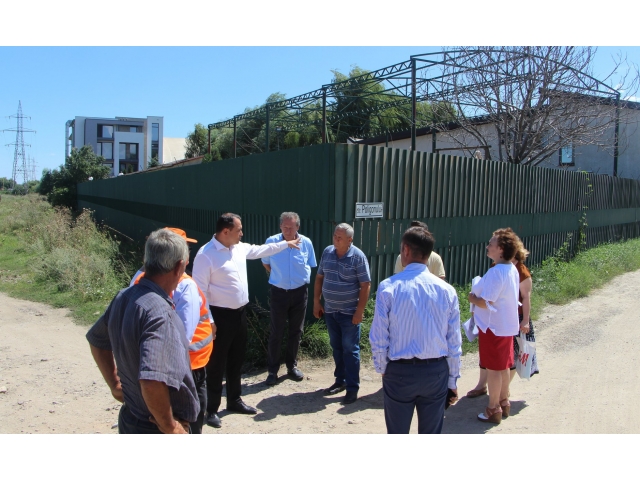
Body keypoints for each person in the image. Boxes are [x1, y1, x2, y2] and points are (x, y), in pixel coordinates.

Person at [192, 213, 301, 429]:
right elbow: (199, 292)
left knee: (236, 359)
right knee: (216, 364)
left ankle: (234, 400)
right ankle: (211, 409)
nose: (242, 233)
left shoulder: (238, 248)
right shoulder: (206, 255)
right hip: (218, 317)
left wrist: (285, 244)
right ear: (225, 231)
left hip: (240, 314)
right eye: (239, 230)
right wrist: (209, 321)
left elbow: (261, 250)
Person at [86, 228, 199, 434]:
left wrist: (115, 384)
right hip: (153, 427)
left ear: (146, 260)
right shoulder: (160, 314)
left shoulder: (124, 296)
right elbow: (151, 380)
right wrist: (170, 426)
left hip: (131, 417)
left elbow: (97, 340)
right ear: (179, 267)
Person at [370, 226, 462, 434]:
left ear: (405, 250)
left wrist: (383, 368)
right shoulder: (447, 291)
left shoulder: (388, 287)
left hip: (399, 371)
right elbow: (454, 341)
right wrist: (452, 380)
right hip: (435, 372)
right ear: (429, 255)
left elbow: (379, 336)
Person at [130, 227, 216, 434]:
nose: (188, 254)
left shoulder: (138, 278)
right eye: (185, 248)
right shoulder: (186, 285)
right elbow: (184, 333)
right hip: (189, 364)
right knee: (189, 415)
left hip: (149, 362)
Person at [467, 239, 538, 398]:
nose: (488, 247)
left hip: (513, 318)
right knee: (493, 358)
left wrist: (525, 320)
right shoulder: (499, 267)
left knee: (509, 357)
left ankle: (502, 393)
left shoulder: (520, 270)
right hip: (496, 318)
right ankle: (485, 387)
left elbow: (526, 297)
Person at [313, 223, 371, 405]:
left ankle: (352, 388)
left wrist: (359, 311)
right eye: (335, 236)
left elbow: (365, 285)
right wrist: (316, 301)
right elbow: (320, 277)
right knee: (337, 347)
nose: (336, 240)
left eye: (340, 238)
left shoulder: (358, 257)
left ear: (350, 240)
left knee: (350, 350)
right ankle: (341, 381)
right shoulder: (327, 252)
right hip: (330, 311)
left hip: (349, 313)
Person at [467, 228, 520, 424]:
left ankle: (493, 408)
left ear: (501, 249)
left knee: (493, 368)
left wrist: (472, 298)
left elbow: (486, 301)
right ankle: (504, 402)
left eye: (491, 243)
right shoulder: (511, 268)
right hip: (506, 325)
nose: (488, 246)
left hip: (493, 327)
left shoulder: (496, 271)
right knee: (504, 365)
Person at [262, 212, 317, 386]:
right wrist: (279, 276)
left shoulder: (306, 243)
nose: (287, 230)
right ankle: (272, 371)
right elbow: (265, 262)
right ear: (280, 226)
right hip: (279, 293)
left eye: (291, 227)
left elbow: (311, 264)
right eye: (284, 227)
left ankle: (291, 366)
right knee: (276, 332)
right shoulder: (272, 242)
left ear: (297, 227)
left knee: (296, 331)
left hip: (300, 293)